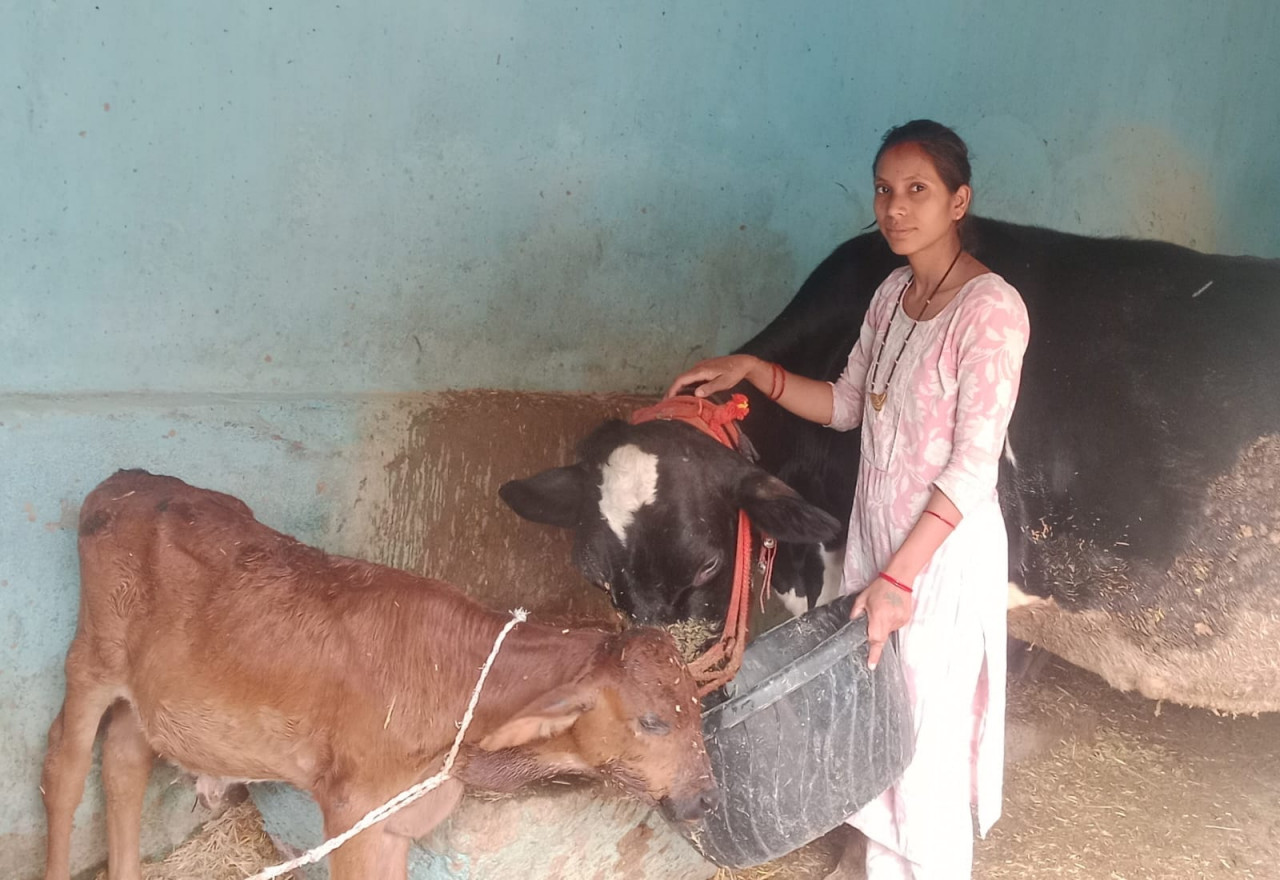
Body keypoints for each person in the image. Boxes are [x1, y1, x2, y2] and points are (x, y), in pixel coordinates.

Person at [665, 119, 1030, 879]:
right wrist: (753, 370)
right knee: (879, 724)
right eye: (884, 190)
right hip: (877, 544)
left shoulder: (990, 310)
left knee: (925, 739)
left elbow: (972, 467)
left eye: (918, 190)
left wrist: (899, 579)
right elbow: (847, 404)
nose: (895, 207)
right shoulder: (893, 294)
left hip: (938, 560)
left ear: (959, 201)